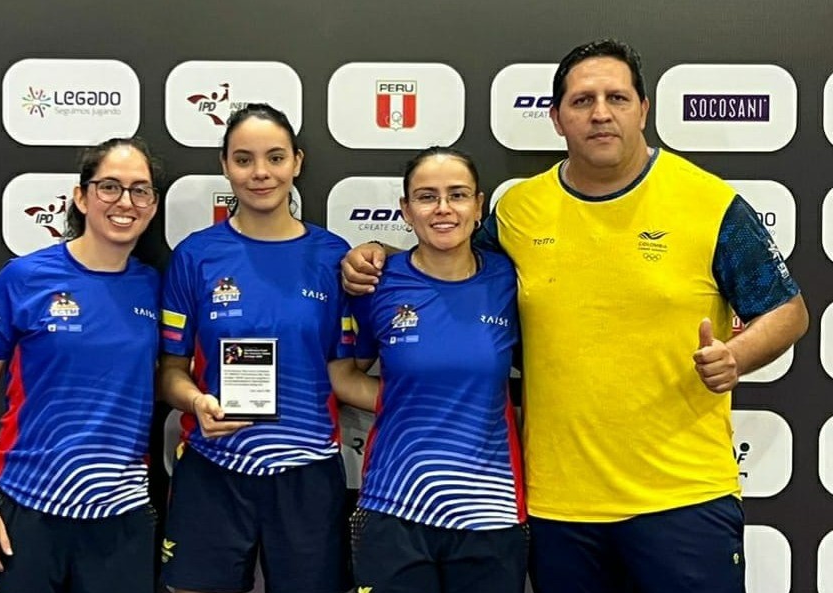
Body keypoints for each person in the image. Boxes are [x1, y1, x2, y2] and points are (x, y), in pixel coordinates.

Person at [341, 39, 809, 593]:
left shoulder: (710, 203)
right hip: (559, 508)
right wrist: (380, 255)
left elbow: (788, 310)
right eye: (583, 101)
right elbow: (451, 268)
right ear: (557, 118)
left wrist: (737, 356)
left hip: (684, 498)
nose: (601, 113)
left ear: (643, 109)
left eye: (617, 98)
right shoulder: (518, 211)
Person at [158, 103, 374, 593]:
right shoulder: (195, 255)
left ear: (297, 162)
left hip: (306, 471)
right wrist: (195, 401)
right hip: (214, 466)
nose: (260, 173)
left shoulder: (332, 256)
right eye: (244, 159)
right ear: (225, 166)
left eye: (275, 158)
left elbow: (345, 369)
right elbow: (170, 370)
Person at [0, 138, 162, 593]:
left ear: (152, 204)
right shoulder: (24, 278)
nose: (125, 202)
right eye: (110, 187)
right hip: (24, 508)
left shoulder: (156, 288)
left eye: (139, 190)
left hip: (120, 520)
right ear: (82, 197)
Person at [347, 146, 526, 593]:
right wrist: (404, 398)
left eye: (458, 195)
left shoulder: (510, 280)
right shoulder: (377, 283)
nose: (443, 208)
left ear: (479, 206)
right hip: (395, 504)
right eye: (427, 197)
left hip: (491, 511)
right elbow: (341, 374)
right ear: (406, 210)